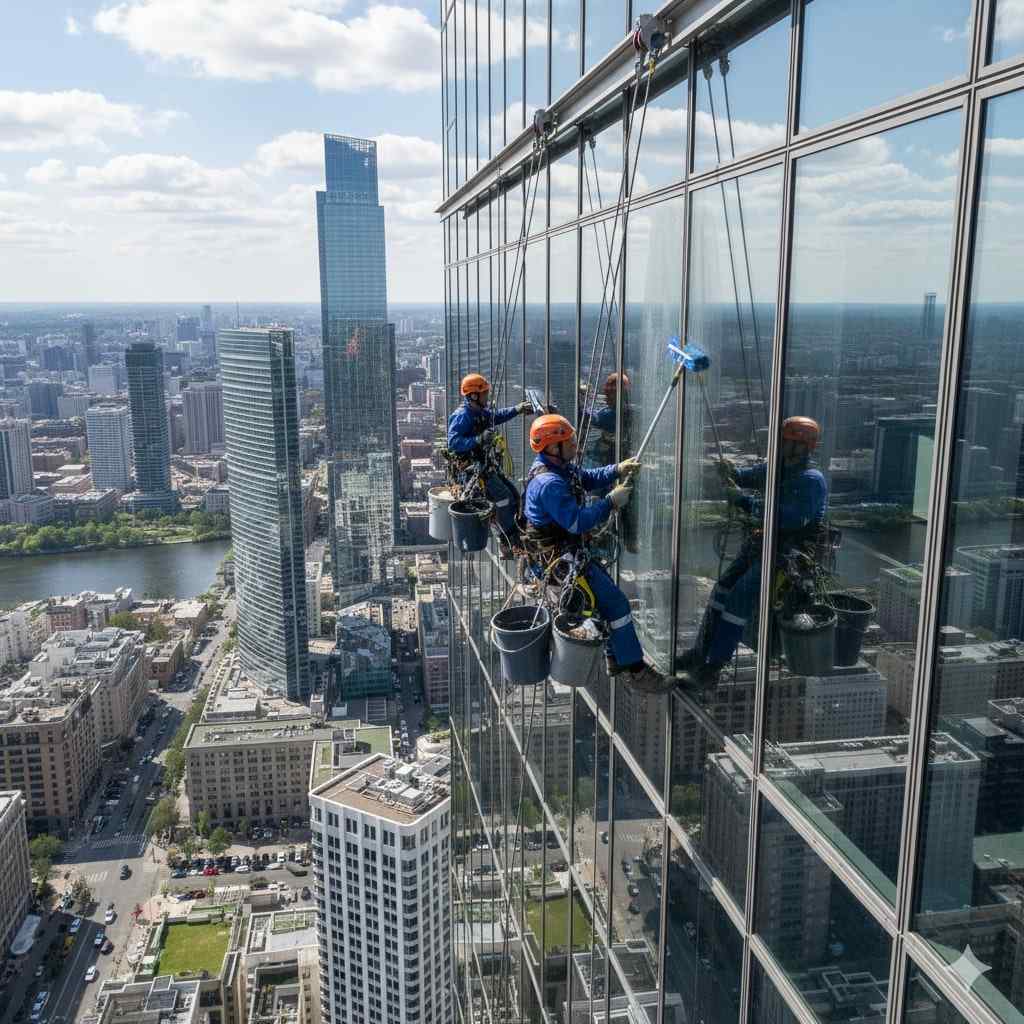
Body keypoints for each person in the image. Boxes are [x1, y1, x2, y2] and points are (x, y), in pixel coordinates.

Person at [677, 416, 828, 690]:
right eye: (783, 441)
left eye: (788, 442)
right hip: (764, 543)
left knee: (738, 599)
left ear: (803, 446)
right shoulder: (778, 468)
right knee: (721, 590)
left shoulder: (811, 480)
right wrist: (731, 472)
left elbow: (791, 518)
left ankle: (712, 668)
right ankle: (699, 653)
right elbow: (747, 477)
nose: (782, 445)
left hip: (788, 554)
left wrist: (747, 503)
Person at [523, 413, 670, 694]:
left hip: (566, 557)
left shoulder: (556, 468)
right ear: (553, 447)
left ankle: (616, 658)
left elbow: (586, 478)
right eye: (569, 441)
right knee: (617, 605)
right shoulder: (549, 484)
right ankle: (636, 672)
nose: (575, 445)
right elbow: (577, 522)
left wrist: (617, 469)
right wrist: (610, 502)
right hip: (563, 562)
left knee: (607, 606)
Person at [447, 373, 534, 556]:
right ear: (473, 395)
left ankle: (512, 531)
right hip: (472, 472)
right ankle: (508, 539)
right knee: (504, 498)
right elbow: (453, 442)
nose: (487, 396)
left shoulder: (478, 412)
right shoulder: (463, 416)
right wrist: (478, 439)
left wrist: (517, 409)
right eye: (484, 393)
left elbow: (496, 417)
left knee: (513, 495)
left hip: (483, 467)